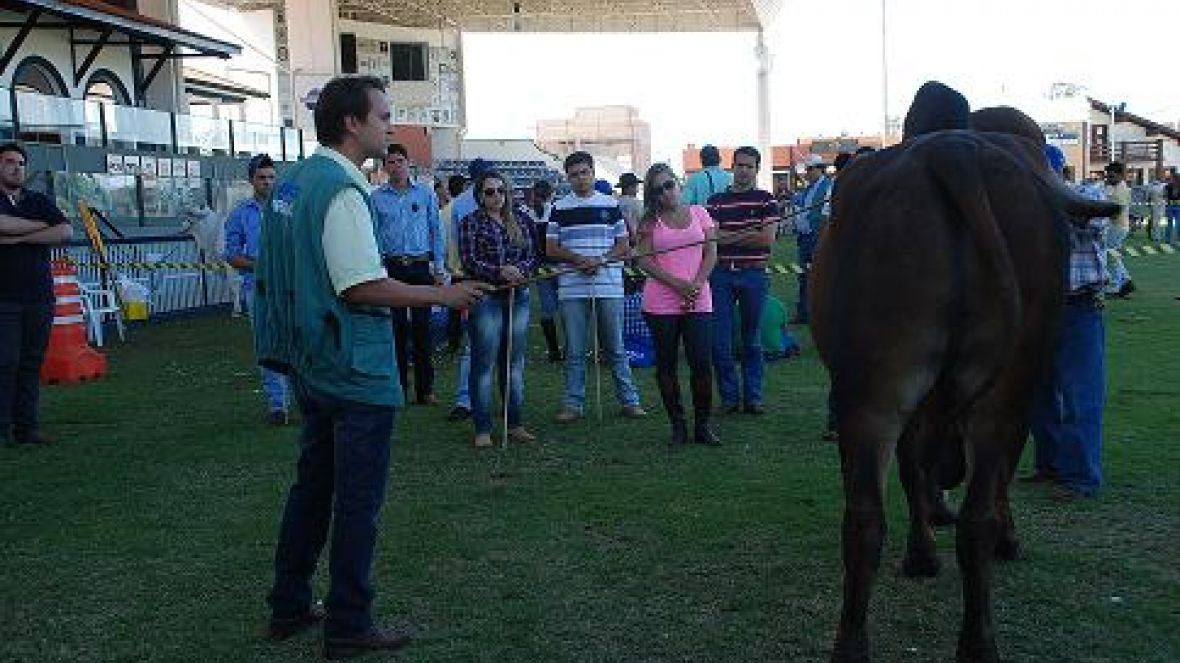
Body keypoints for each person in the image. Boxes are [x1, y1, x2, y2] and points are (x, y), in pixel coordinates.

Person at [253, 75, 489, 658]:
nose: (392, 126)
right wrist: (444, 296)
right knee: (357, 501)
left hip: (314, 362)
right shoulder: (342, 189)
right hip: (353, 369)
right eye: (384, 116)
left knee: (313, 489)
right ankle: (349, 623)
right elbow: (359, 286)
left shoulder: (296, 181)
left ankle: (288, 606)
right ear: (352, 123)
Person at [1024, 144, 1107, 500]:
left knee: (1080, 398)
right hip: (1036, 313)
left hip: (1078, 309)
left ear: (1058, 172)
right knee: (1037, 397)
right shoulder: (1025, 206)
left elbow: (1098, 217)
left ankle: (1080, 477)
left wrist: (1048, 198)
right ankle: (1050, 465)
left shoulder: (1089, 193)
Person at [546, 151, 646, 422]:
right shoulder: (560, 207)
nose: (580, 178)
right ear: (568, 178)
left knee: (615, 346)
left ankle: (629, 400)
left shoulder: (610, 204)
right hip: (571, 287)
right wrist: (578, 259)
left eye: (584, 172)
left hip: (608, 284)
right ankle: (572, 404)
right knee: (575, 349)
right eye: (574, 174)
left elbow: (624, 244)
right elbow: (551, 247)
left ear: (593, 173)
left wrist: (600, 260)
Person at [635, 163, 720, 446]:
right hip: (661, 301)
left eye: (669, 185)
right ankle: (678, 426)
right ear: (652, 195)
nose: (666, 193)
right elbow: (644, 260)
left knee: (701, 363)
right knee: (667, 365)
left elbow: (711, 253)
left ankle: (703, 426)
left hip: (698, 297)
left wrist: (695, 284)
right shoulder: (650, 221)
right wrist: (677, 284)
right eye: (658, 190)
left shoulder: (700, 213)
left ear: (678, 183)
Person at [458, 170, 539, 447]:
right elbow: (469, 261)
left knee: (513, 363)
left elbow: (532, 256)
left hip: (519, 296)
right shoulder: (471, 222)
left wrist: (519, 271)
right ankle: (482, 428)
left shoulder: (522, 221)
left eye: (500, 190)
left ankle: (514, 423)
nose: (496, 196)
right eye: (489, 191)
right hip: (486, 297)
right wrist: (499, 271)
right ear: (480, 196)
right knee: (484, 363)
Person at [0, 142, 73, 447]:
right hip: (4, 298)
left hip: (39, 297)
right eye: (9, 162)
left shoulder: (37, 199)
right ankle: (2, 429)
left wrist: (19, 239)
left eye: (21, 163)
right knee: (5, 362)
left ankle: (26, 428)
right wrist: (42, 229)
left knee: (31, 363)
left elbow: (65, 232)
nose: (17, 167)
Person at [705, 146, 779, 415]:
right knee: (720, 341)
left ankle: (754, 397)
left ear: (757, 169)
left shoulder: (766, 200)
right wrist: (749, 233)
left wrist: (727, 236)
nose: (744, 170)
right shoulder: (715, 201)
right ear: (731, 166)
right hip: (721, 275)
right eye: (740, 165)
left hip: (754, 274)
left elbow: (767, 239)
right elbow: (711, 239)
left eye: (749, 166)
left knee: (752, 339)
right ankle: (729, 398)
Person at [373, 143, 445, 405]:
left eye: (400, 161)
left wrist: (438, 268)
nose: (396, 166)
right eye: (390, 162)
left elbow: (436, 232)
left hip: (419, 266)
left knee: (423, 329)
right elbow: (374, 235)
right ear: (385, 167)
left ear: (408, 163)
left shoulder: (425, 195)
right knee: (396, 330)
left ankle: (426, 390)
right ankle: (399, 387)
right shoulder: (377, 198)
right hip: (392, 267)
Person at [223, 153, 291, 425]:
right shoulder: (240, 214)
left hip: (288, 286)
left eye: (272, 177)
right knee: (266, 345)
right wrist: (260, 265)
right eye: (262, 178)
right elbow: (231, 254)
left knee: (295, 341)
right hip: (258, 286)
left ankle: (304, 398)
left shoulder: (288, 208)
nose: (267, 182)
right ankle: (278, 405)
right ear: (251, 180)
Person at [446, 159, 495, 421]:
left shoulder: (460, 203)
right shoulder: (465, 204)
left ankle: (469, 399)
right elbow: (461, 242)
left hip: (472, 276)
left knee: (475, 343)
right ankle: (468, 399)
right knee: (477, 342)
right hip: (478, 278)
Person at [793, 154, 832, 324]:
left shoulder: (829, 186)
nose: (807, 173)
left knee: (819, 277)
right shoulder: (808, 188)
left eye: (810, 169)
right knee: (803, 276)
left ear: (819, 168)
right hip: (805, 239)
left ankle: (818, 313)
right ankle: (804, 313)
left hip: (818, 238)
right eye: (806, 169)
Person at [530, 179, 563, 362]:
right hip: (560, 265)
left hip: (541, 267)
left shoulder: (529, 214)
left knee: (547, 310)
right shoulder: (557, 211)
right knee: (566, 307)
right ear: (551, 193)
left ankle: (554, 352)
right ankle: (569, 348)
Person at [1103, 161, 1135, 298]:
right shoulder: (1118, 187)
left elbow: (1116, 212)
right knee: (1113, 254)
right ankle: (1126, 280)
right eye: (1108, 176)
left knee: (1110, 255)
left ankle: (1116, 285)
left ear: (1121, 176)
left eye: (1111, 176)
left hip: (1117, 226)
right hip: (1117, 226)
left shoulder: (1121, 190)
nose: (1108, 179)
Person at [616, 172, 644, 240]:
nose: (637, 189)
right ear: (629, 187)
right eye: (636, 186)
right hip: (634, 240)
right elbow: (644, 221)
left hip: (619, 241)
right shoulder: (637, 203)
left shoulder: (615, 202)